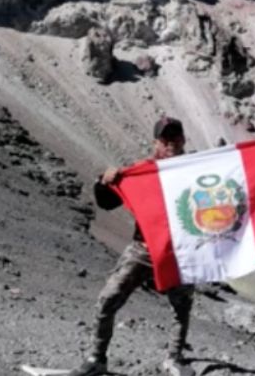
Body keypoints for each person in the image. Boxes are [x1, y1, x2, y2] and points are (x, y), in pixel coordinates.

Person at [70, 116, 195, 376]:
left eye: (175, 137)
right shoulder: (143, 172)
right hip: (144, 248)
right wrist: (104, 182)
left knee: (181, 307)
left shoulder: (197, 171)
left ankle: (174, 358)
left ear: (183, 139)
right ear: (156, 142)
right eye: (165, 138)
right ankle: (97, 358)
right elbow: (107, 203)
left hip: (179, 251)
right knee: (108, 298)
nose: (171, 142)